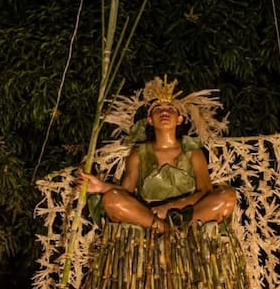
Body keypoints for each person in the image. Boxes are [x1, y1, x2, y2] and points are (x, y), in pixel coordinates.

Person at [80, 78, 237, 232]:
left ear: (179, 119)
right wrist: (101, 187)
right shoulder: (138, 153)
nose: (164, 112)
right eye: (157, 109)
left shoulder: (193, 151)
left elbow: (205, 192)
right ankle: (167, 229)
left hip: (190, 213)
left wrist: (170, 207)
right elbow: (125, 192)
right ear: (149, 120)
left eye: (170, 108)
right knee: (111, 199)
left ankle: (178, 227)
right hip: (150, 216)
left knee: (227, 196)